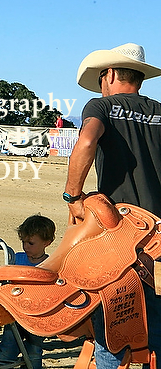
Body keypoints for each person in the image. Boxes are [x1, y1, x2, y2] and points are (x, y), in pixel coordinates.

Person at [65, 42, 161, 369]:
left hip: (120, 235)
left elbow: (86, 141)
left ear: (108, 75)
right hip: (160, 237)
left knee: (112, 331)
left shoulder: (101, 106)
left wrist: (73, 197)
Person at [0, 215, 56, 369]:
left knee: (34, 353)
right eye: (23, 242)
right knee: (6, 349)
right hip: (14, 315)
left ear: (47, 242)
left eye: (31, 243)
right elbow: (5, 281)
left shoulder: (51, 265)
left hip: (38, 318)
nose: (26, 246)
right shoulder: (17, 259)